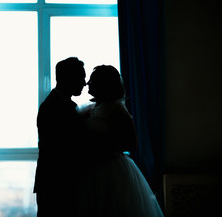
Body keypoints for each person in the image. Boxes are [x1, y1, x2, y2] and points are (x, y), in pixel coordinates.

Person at [78, 65, 164, 217]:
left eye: (93, 80)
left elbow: (132, 143)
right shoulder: (89, 109)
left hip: (112, 170)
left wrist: (102, 147)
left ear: (104, 84)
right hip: (90, 169)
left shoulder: (117, 109)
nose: (88, 84)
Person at [33, 57, 87, 217]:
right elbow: (64, 148)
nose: (84, 83)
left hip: (56, 183)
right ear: (68, 78)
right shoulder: (53, 108)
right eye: (81, 77)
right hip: (56, 184)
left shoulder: (59, 104)